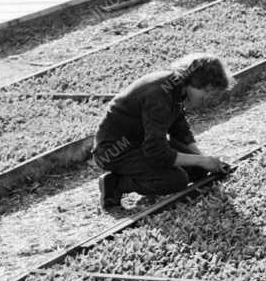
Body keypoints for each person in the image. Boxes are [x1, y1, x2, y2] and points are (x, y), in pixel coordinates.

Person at [92, 54, 233, 210]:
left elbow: (179, 128)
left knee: (199, 171)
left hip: (142, 141)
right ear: (194, 82)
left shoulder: (175, 86)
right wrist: (201, 160)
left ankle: (144, 175)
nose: (207, 98)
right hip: (116, 151)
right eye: (206, 91)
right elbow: (156, 151)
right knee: (175, 180)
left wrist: (202, 159)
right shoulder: (159, 95)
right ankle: (115, 184)